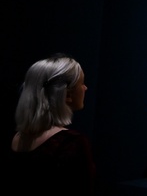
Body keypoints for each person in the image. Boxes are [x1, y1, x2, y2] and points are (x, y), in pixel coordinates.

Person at [9, 53, 96, 195]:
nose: (85, 88)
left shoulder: (16, 139)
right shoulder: (72, 143)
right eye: (82, 83)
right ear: (67, 95)